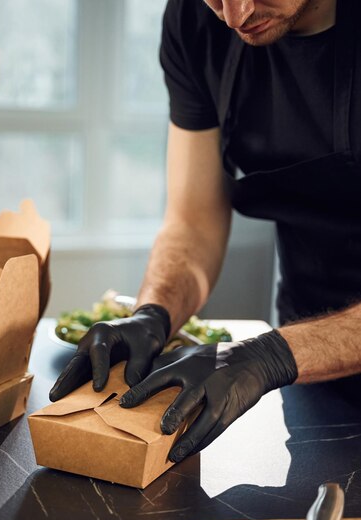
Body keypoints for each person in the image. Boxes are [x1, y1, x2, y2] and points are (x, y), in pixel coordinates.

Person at [50, 0, 361, 463]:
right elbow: (194, 221)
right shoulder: (196, 23)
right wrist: (153, 312)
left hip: (294, 353)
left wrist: (272, 354)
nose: (235, 16)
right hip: (308, 363)